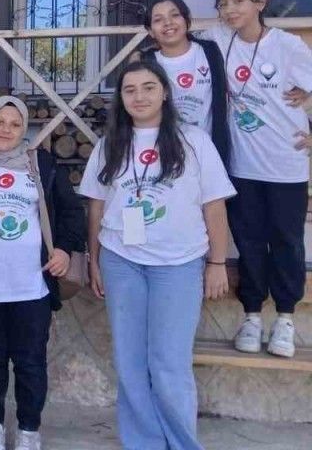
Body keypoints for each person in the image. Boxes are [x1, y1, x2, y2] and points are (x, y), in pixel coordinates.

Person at [79, 61, 233, 450]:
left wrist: (217, 262)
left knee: (169, 362)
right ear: (121, 98)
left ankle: (182, 443)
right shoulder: (109, 144)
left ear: (164, 92)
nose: (139, 96)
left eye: (148, 87)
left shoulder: (194, 141)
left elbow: (214, 205)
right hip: (121, 261)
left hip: (178, 264)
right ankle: (143, 442)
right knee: (129, 362)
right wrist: (94, 260)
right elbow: (97, 207)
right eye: (129, 90)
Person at [202, 0, 312, 357]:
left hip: (286, 166)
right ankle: (251, 316)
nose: (230, 9)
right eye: (223, 3)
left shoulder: (287, 46)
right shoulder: (220, 39)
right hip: (242, 167)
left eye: (239, 1)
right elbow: (178, 40)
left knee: (286, 242)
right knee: (248, 241)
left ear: (260, 3)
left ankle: (284, 318)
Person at [0, 97, 85, 450]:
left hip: (32, 286)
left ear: (24, 129)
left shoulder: (41, 164)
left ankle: (28, 430)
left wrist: (63, 249)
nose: (6, 130)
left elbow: (71, 211)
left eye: (15, 124)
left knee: (30, 362)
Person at [139, 0, 230, 164]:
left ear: (187, 20)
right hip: (164, 154)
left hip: (210, 152)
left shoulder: (211, 51)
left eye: (175, 15)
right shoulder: (146, 62)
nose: (168, 23)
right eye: (158, 20)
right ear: (150, 31)